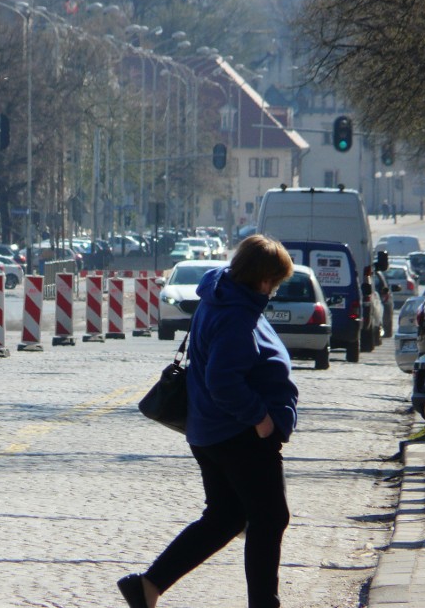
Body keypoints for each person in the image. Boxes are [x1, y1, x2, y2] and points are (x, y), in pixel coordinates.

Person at [118, 234, 299, 608]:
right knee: (269, 518)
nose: (274, 289)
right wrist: (261, 419)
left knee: (226, 516)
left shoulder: (224, 297)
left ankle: (148, 586)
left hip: (211, 432)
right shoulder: (235, 314)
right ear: (263, 279)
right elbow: (223, 381)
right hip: (239, 435)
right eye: (275, 281)